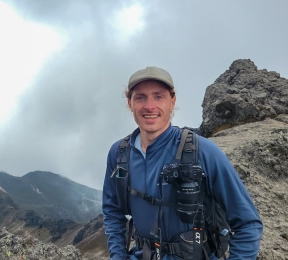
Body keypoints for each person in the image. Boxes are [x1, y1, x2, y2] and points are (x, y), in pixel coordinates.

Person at [102, 66, 263, 260]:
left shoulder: (203, 152)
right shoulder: (119, 154)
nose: (149, 106)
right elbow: (112, 211)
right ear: (130, 103)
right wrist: (118, 256)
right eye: (140, 97)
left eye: (158, 96)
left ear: (172, 101)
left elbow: (247, 223)